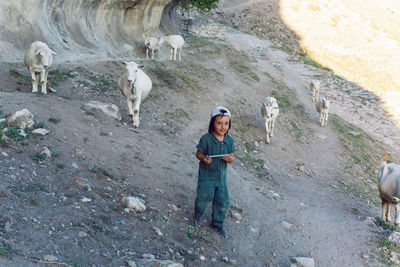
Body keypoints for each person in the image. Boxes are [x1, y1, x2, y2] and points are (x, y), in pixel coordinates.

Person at [194, 106, 235, 238]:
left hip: (221, 177)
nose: (223, 127)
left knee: (222, 201)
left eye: (226, 123)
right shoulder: (206, 139)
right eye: (219, 123)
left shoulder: (229, 141)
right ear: (213, 123)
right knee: (203, 197)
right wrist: (204, 158)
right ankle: (198, 216)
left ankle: (217, 223)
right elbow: (198, 153)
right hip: (207, 176)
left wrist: (230, 159)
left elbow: (232, 157)